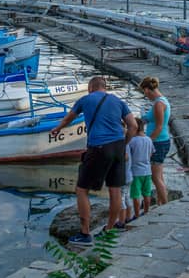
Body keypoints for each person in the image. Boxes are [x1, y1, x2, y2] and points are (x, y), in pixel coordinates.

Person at [48, 76, 137, 245]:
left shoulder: (85, 99)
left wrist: (57, 129)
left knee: (82, 189)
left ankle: (85, 233)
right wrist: (124, 144)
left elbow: (69, 119)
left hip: (98, 147)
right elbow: (133, 126)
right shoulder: (118, 101)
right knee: (115, 190)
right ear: (105, 87)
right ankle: (110, 229)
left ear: (90, 88)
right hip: (118, 147)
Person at [139, 76, 172, 205]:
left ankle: (165, 205)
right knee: (159, 175)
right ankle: (160, 202)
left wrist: (147, 141)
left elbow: (159, 127)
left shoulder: (159, 104)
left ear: (147, 89)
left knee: (155, 177)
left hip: (158, 142)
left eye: (144, 92)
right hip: (161, 141)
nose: (145, 95)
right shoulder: (161, 101)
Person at [125, 118, 156, 225]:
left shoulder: (132, 141)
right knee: (147, 193)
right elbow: (151, 153)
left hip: (135, 172)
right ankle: (146, 211)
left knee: (136, 195)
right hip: (147, 171)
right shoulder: (149, 139)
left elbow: (128, 156)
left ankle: (137, 214)